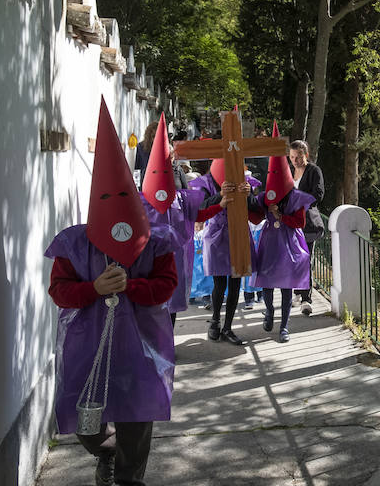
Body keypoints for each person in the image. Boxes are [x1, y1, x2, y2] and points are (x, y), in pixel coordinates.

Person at [46, 98, 179, 486]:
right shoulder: (74, 244)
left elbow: (166, 286)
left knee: (136, 418)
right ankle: (105, 451)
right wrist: (94, 288)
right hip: (89, 343)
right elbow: (59, 290)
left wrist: (131, 286)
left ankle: (128, 477)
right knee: (87, 419)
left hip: (141, 344)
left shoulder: (155, 243)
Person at [139, 114, 228, 326]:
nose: (168, 160)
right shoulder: (145, 188)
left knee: (173, 293)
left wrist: (220, 205)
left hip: (177, 249)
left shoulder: (179, 174)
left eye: (170, 156)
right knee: (152, 297)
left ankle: (167, 339)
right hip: (152, 249)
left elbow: (194, 211)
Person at [189, 158, 261, 346]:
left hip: (239, 234)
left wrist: (249, 195)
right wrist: (219, 195)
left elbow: (256, 208)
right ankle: (215, 321)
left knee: (236, 281)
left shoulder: (244, 181)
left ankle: (228, 327)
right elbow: (201, 207)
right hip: (217, 236)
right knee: (219, 284)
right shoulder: (205, 183)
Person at [255, 123, 316, 342]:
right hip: (270, 241)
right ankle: (270, 311)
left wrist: (281, 216)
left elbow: (299, 222)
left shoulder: (295, 197)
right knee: (268, 282)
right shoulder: (266, 196)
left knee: (287, 285)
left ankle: (284, 327)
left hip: (290, 242)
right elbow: (255, 215)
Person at [289, 140, 325, 315]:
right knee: (293, 260)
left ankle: (306, 299)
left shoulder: (314, 171)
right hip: (290, 224)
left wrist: (299, 202)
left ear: (306, 155)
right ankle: (297, 292)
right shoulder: (289, 171)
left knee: (305, 260)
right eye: (292, 157)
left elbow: (318, 194)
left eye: (299, 157)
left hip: (307, 224)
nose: (295, 160)